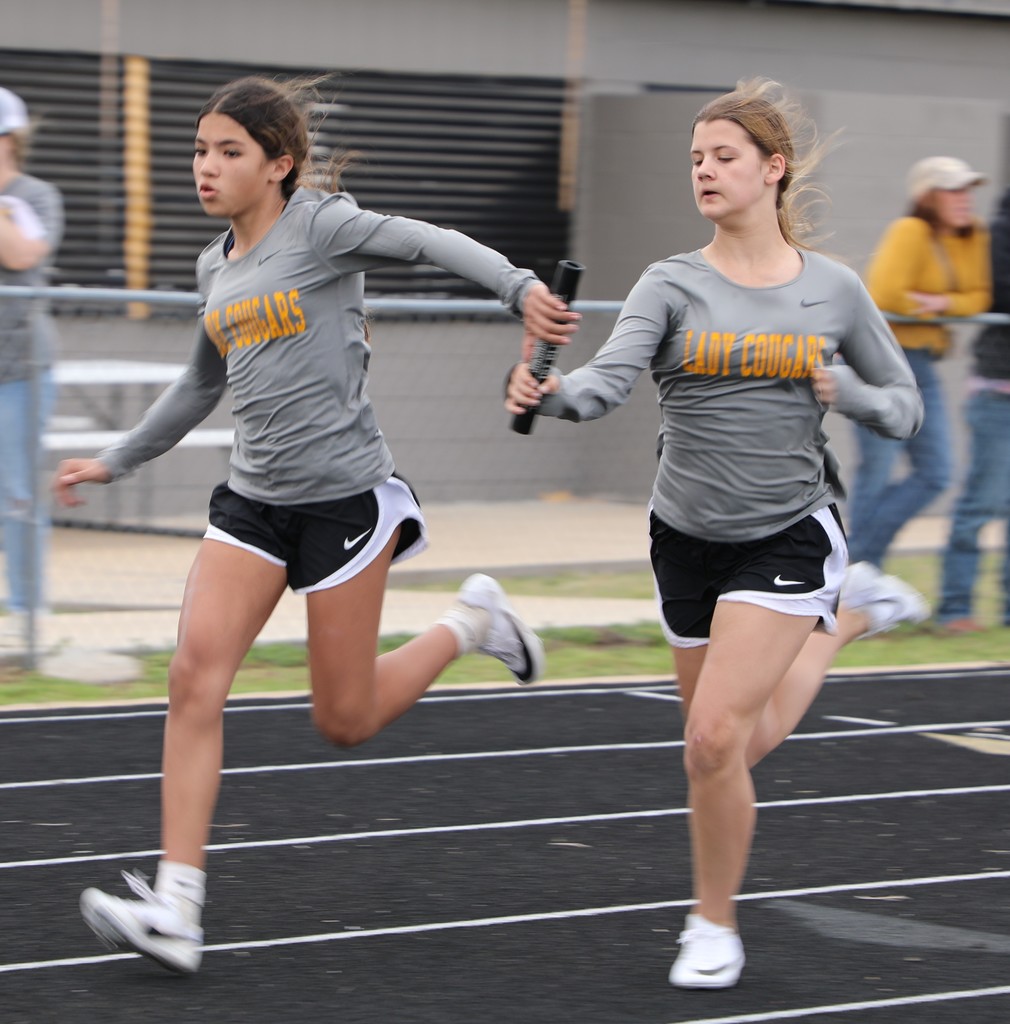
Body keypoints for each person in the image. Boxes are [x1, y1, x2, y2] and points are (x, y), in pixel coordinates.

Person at [53, 75, 579, 975]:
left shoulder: (323, 226)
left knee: (344, 718)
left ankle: (471, 622)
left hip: (342, 501)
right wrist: (119, 457)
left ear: (279, 163)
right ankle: (178, 905)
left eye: (229, 152)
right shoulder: (214, 266)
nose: (206, 168)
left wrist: (518, 286)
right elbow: (199, 383)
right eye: (199, 150)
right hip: (253, 503)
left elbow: (426, 240)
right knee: (193, 678)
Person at [505, 78, 928, 990]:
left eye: (723, 156)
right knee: (728, 741)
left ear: (772, 170)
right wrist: (553, 392)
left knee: (709, 741)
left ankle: (712, 922)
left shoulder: (834, 290)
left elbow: (903, 409)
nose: (704, 170)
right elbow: (606, 385)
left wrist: (839, 392)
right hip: (683, 536)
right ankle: (846, 622)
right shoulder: (670, 281)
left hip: (786, 530)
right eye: (695, 158)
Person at [846, 156, 991, 568]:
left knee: (937, 473)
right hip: (880, 361)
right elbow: (889, 295)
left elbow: (979, 296)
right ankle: (857, 574)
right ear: (928, 197)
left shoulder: (972, 236)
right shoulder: (909, 231)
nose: (964, 200)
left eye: (968, 190)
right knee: (877, 469)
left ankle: (857, 564)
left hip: (923, 364)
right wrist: (942, 308)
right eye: (953, 190)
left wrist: (942, 303)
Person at [0, 86, 64, 648]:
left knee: (17, 493)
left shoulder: (36, 196)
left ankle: (25, 620)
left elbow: (22, 254)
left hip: (21, 370)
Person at [937, 185, 1010, 633]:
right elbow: (998, 291)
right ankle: (955, 609)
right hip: (997, 392)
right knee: (979, 505)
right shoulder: (1000, 229)